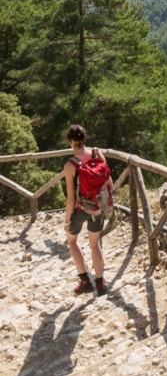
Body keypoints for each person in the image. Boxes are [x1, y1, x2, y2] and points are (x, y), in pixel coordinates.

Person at [63, 124, 108, 295]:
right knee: (94, 244)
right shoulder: (97, 153)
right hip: (98, 206)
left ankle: (84, 280)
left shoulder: (70, 165)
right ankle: (100, 283)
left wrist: (67, 220)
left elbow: (70, 198)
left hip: (80, 209)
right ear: (85, 139)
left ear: (70, 142)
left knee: (72, 241)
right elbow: (107, 181)